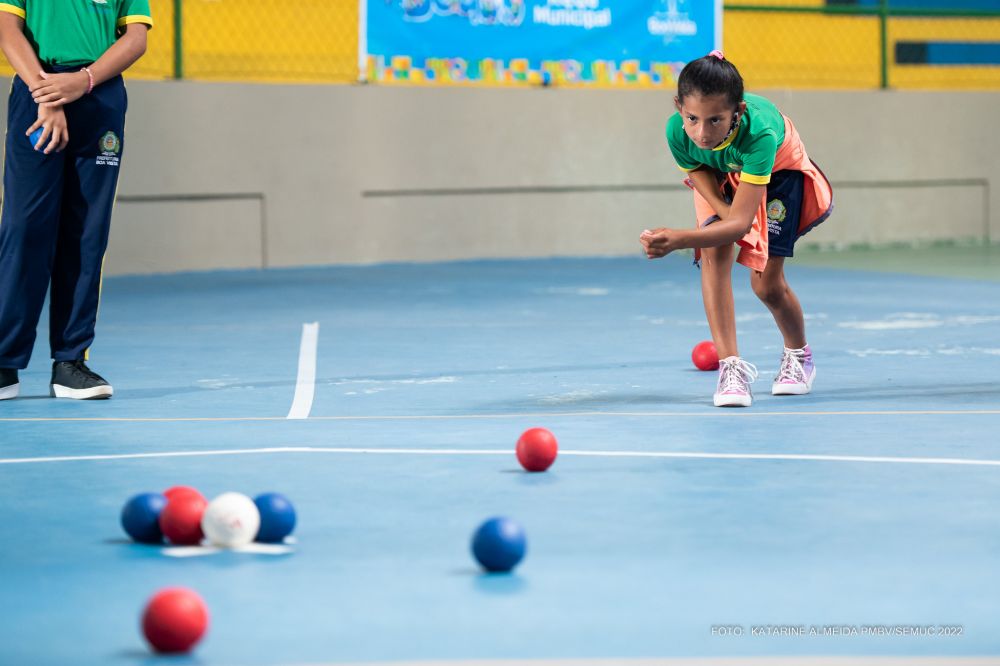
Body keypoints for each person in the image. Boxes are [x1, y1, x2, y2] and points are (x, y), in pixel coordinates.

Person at [640, 50, 833, 407]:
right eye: (692, 118)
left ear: (738, 112)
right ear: (679, 108)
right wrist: (722, 210)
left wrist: (680, 239)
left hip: (777, 175)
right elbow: (697, 169)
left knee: (766, 286)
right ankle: (731, 367)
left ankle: (799, 356)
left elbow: (740, 225)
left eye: (715, 120)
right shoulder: (677, 132)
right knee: (713, 255)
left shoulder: (759, 135)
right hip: (718, 173)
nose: (702, 133)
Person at [0, 0, 152, 400]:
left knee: (86, 232)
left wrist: (83, 81)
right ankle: (3, 362)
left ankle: (70, 362)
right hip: (37, 88)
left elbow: (135, 38)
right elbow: (7, 28)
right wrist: (48, 96)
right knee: (24, 227)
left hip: (99, 97)